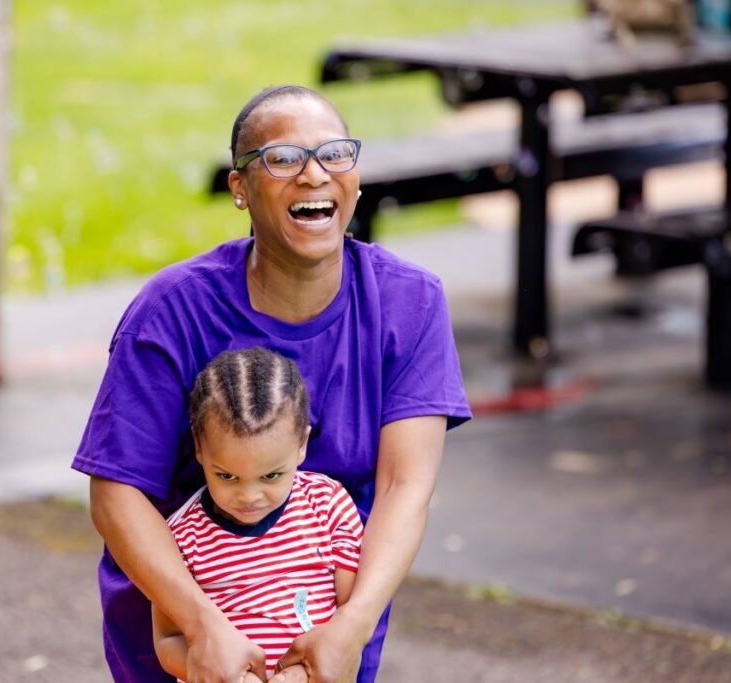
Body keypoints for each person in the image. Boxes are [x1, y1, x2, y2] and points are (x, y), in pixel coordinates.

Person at [73, 84, 472, 683]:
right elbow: (117, 495)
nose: (314, 175)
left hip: (325, 642)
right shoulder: (173, 310)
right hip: (185, 640)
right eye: (283, 159)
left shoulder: (408, 302)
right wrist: (203, 630)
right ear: (241, 188)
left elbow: (403, 486)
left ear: (356, 180)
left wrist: (354, 623)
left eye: (335, 154)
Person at [153, 347, 364, 683]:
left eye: (271, 476)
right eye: (227, 476)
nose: (249, 497)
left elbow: (348, 621)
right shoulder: (179, 537)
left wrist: (298, 675)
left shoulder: (329, 507)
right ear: (199, 447)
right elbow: (167, 641)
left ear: (301, 445)